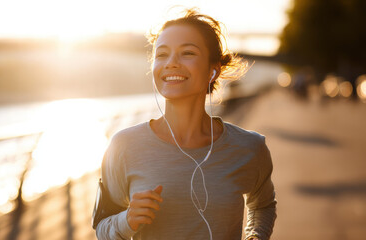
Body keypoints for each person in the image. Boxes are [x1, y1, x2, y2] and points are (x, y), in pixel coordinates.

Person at [94, 8, 277, 240]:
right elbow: (102, 228)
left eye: (187, 53)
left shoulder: (249, 147)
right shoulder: (124, 146)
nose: (171, 63)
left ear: (213, 70)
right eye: (162, 54)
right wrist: (126, 220)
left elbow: (263, 205)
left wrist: (255, 237)